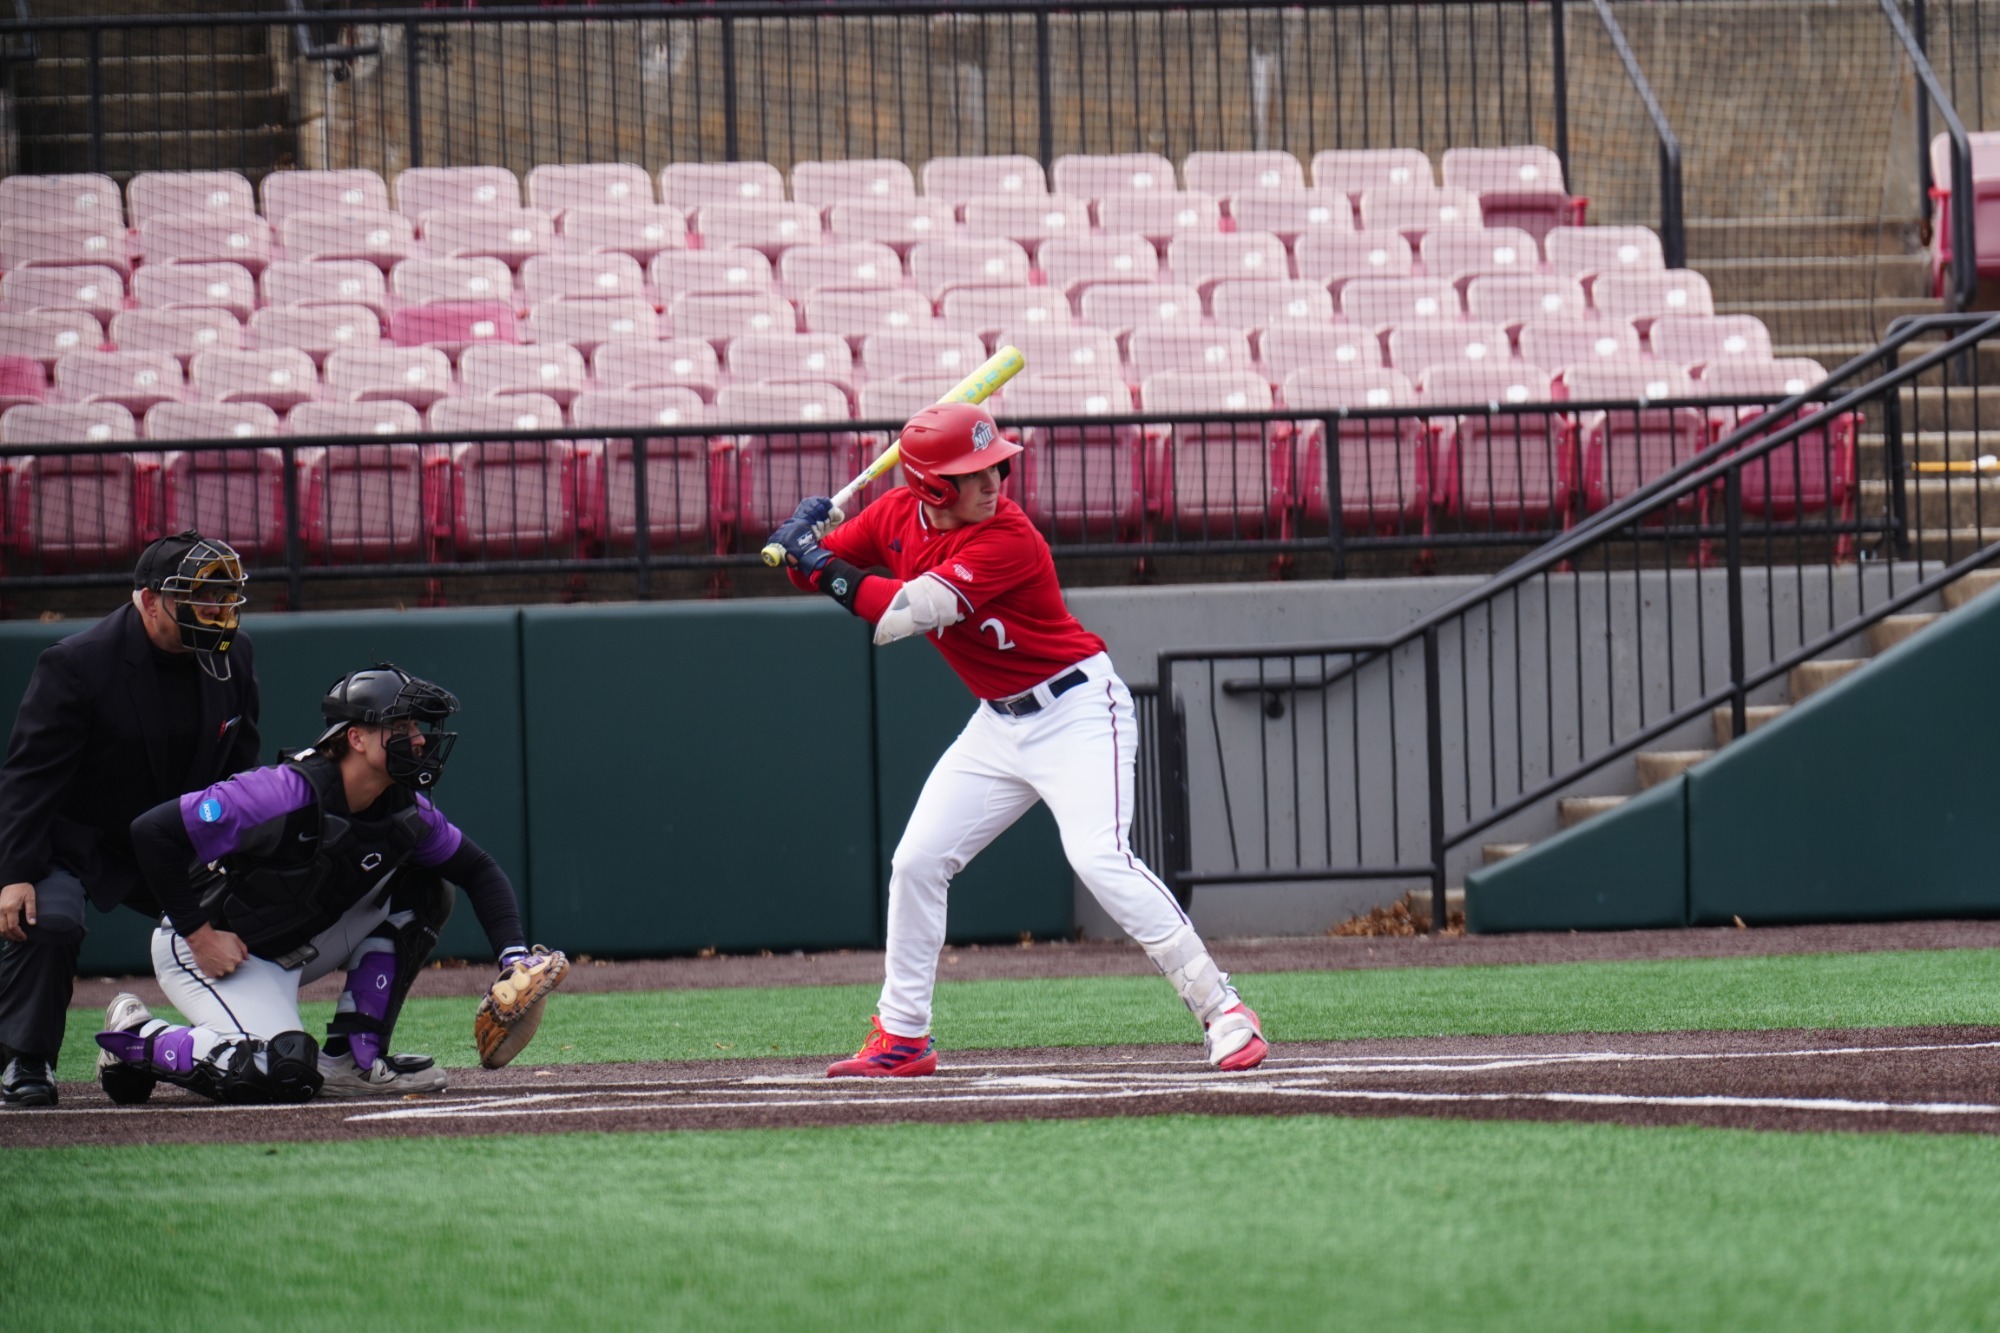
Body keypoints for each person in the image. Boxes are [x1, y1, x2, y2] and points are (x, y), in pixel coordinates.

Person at [766, 401, 1268, 1077]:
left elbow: (901, 613)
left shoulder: (1008, 536)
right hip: (999, 724)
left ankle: (1224, 1009)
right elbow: (813, 570)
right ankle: (904, 1034)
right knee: (917, 862)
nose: (995, 479)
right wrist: (804, 540)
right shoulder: (891, 515)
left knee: (1098, 857)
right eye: (975, 471)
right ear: (932, 487)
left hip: (1079, 710)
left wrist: (817, 560)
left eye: (996, 465)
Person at [94, 663, 564, 1103]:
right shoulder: (280, 792)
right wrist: (198, 935)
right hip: (211, 947)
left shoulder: (408, 810)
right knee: (281, 1071)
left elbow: (478, 871)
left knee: (427, 888)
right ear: (356, 737)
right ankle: (136, 1037)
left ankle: (354, 1060)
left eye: (418, 728)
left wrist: (514, 959)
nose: (418, 740)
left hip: (298, 941)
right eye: (401, 728)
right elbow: (150, 832)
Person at [0, 531, 259, 1109]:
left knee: (256, 906)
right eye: (201, 598)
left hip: (176, 841)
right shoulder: (74, 664)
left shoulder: (234, 655)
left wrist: (242, 853)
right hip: (78, 840)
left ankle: (231, 1040)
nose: (217, 612)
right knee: (50, 920)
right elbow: (30, 778)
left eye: (224, 598)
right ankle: (26, 1057)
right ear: (148, 600)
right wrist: (14, 873)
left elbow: (241, 765)